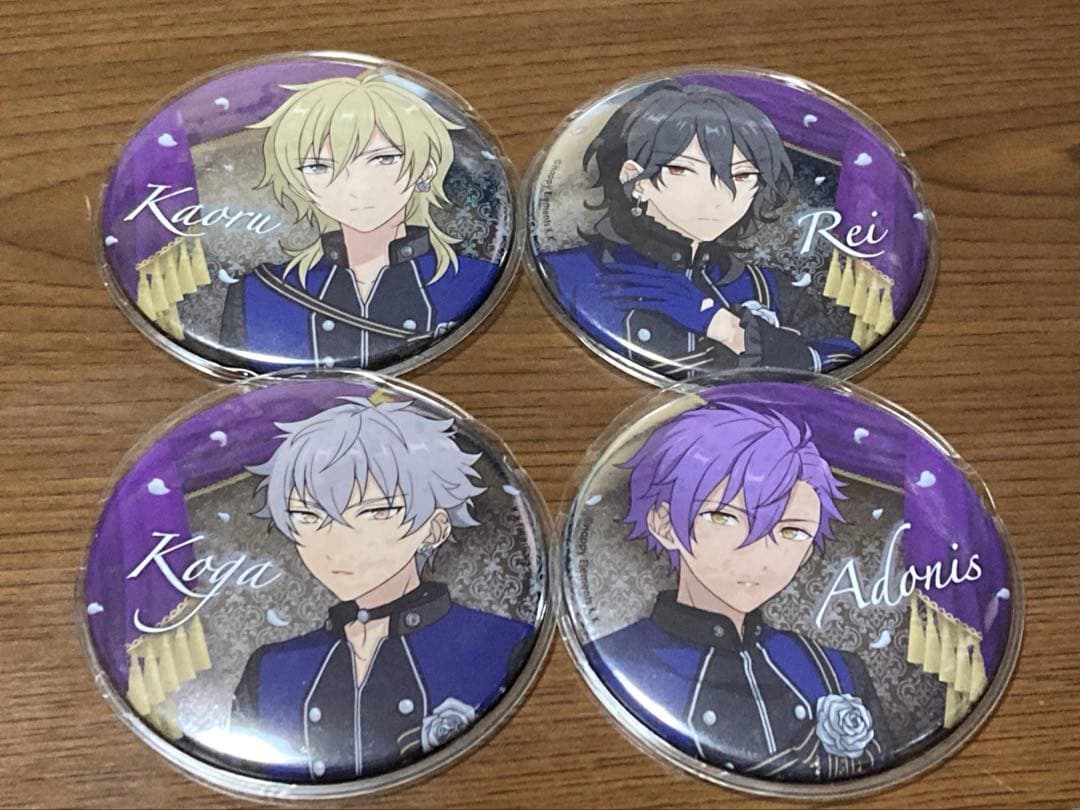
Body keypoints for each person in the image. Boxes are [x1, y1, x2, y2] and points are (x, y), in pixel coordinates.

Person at [231, 397, 534, 782]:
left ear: (434, 527)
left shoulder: (505, 645)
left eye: (375, 512)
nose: (335, 542)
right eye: (307, 516)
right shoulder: (270, 670)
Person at [585, 403, 891, 780]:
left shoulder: (839, 670)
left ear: (808, 550)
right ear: (664, 524)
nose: (762, 554)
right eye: (725, 517)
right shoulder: (611, 661)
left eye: (792, 531)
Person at [540, 81, 859, 379]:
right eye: (684, 170)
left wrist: (725, 327)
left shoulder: (769, 286)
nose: (720, 197)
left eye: (743, 175)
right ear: (635, 179)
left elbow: (841, 355)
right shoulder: (567, 273)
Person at [221, 73, 500, 371]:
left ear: (426, 168)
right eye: (319, 166)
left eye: (383, 159)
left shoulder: (473, 281)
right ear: (298, 183)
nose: (356, 188)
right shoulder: (260, 294)